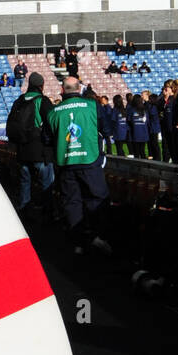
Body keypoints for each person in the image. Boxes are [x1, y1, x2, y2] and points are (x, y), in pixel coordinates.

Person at [45, 78, 110, 252]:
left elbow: (46, 138)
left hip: (66, 162)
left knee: (72, 202)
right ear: (79, 89)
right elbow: (106, 128)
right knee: (97, 198)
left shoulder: (54, 111)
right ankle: (98, 236)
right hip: (90, 159)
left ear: (62, 90)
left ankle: (78, 242)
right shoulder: (92, 105)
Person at [4, 71, 54, 218]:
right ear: (41, 85)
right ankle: (48, 212)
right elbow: (52, 122)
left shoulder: (19, 100)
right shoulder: (42, 101)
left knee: (25, 182)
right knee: (47, 183)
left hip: (22, 150)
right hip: (40, 150)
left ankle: (25, 210)